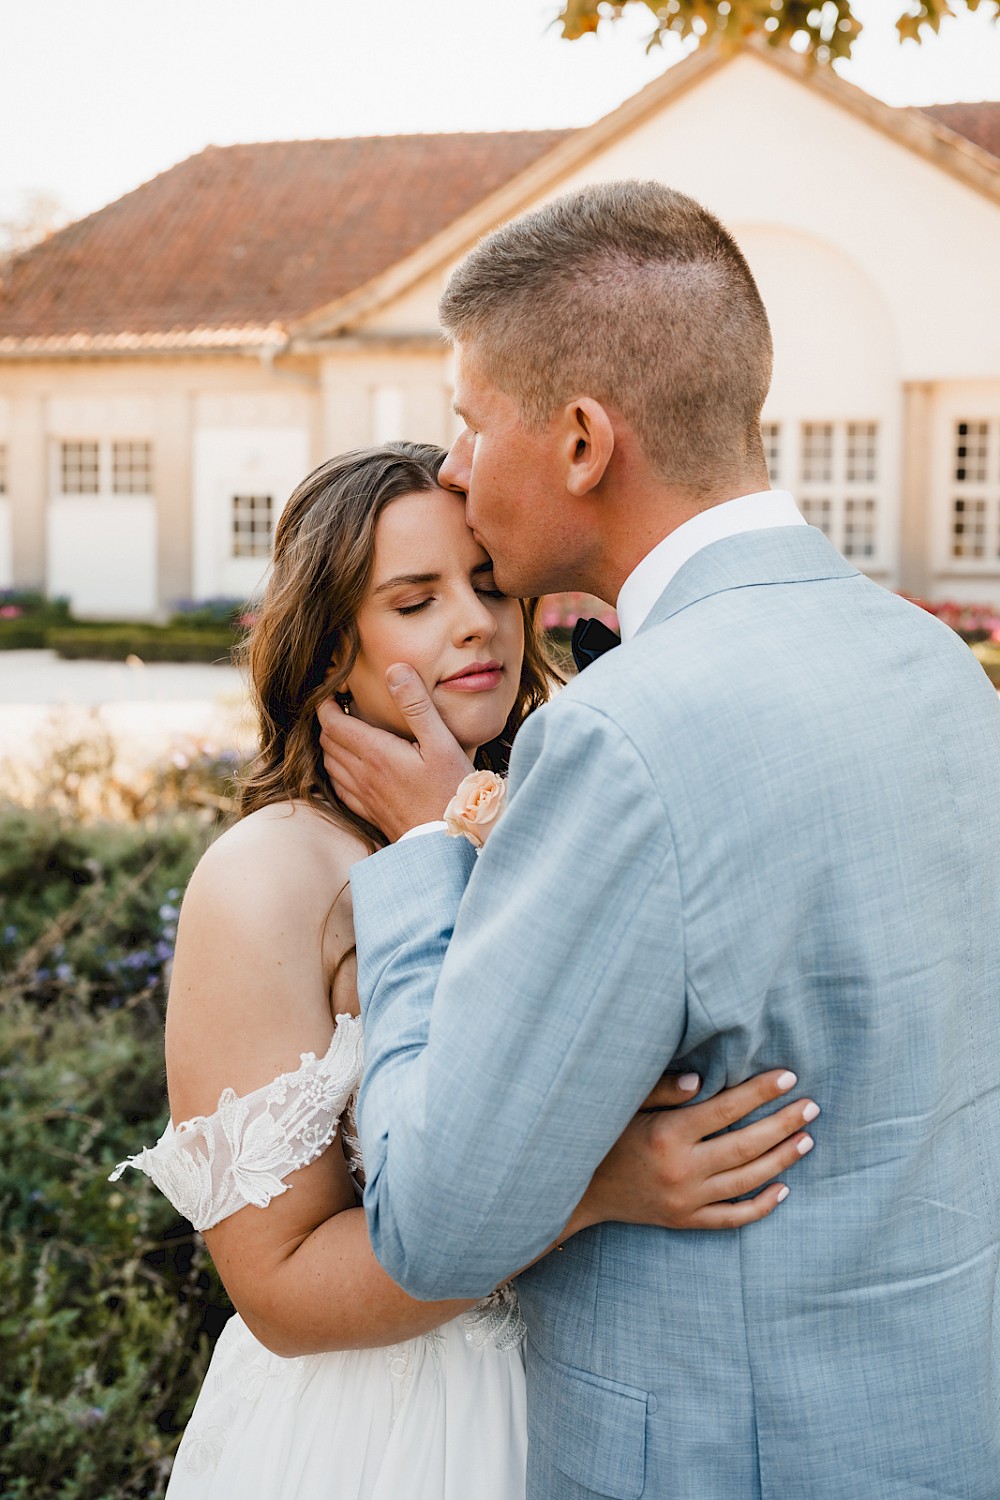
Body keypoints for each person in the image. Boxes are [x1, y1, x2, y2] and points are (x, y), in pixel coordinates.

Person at [319, 182, 1000, 1499]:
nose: (456, 471)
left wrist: (426, 851)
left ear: (580, 441)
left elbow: (440, 1225)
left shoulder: (624, 737)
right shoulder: (933, 660)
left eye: (470, 424)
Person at [112, 441, 817, 1500]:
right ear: (329, 646)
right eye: (414, 600)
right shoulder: (266, 878)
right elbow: (282, 1291)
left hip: (584, 1406)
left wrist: (450, 831)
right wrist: (596, 1191)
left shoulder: (554, 813)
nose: (474, 620)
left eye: (487, 583)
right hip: (381, 1437)